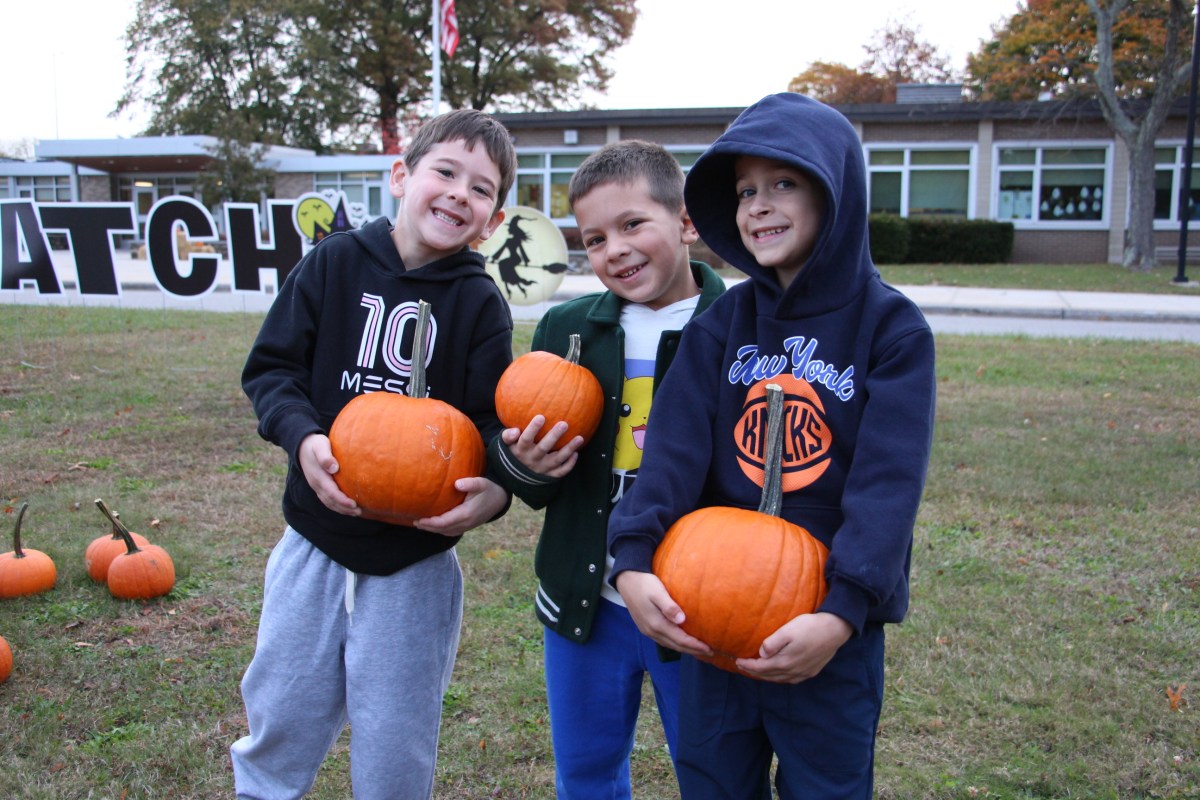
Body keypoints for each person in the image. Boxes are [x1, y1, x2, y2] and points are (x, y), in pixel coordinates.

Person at [608, 93, 937, 799]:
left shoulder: (892, 331)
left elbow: (888, 484)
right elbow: (671, 451)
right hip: (710, 622)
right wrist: (632, 559)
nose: (758, 205)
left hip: (823, 635)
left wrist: (843, 612)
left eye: (783, 183)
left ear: (834, 191)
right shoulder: (724, 323)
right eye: (745, 191)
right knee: (714, 784)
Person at [233, 108, 518, 800]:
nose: (459, 193)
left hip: (414, 560)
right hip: (315, 537)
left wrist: (496, 491)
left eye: (480, 188)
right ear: (402, 175)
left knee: (397, 731)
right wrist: (303, 437)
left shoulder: (481, 304)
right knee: (283, 702)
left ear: (493, 218)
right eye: (445, 172)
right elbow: (273, 370)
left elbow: (489, 425)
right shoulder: (334, 262)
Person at [487, 140, 726, 799]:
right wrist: (524, 465)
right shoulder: (566, 331)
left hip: (696, 601)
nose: (613, 249)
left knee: (710, 770)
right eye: (594, 238)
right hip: (584, 600)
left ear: (684, 222)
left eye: (632, 225)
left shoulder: (737, 325)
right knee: (586, 772)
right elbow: (532, 480)